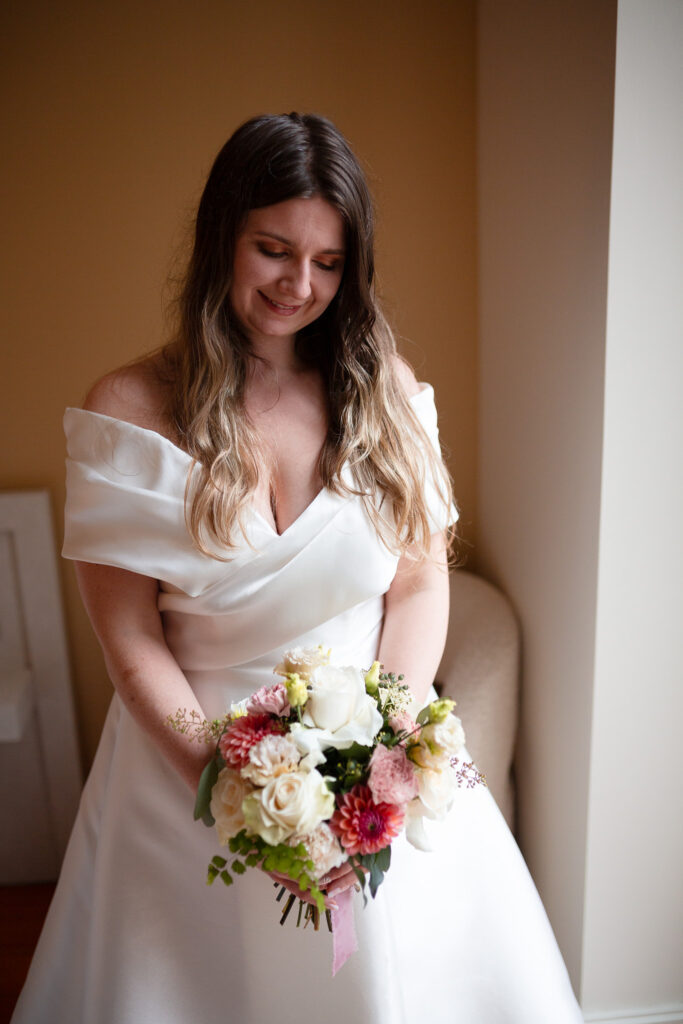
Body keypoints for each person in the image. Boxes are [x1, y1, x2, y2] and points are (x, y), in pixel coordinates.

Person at [12, 113, 583, 1023]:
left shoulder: (385, 390)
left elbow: (418, 583)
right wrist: (235, 792)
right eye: (273, 250)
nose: (298, 284)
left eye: (327, 262)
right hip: (185, 774)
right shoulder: (129, 409)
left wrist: (380, 764)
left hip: (373, 759)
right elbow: (130, 639)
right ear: (221, 238)